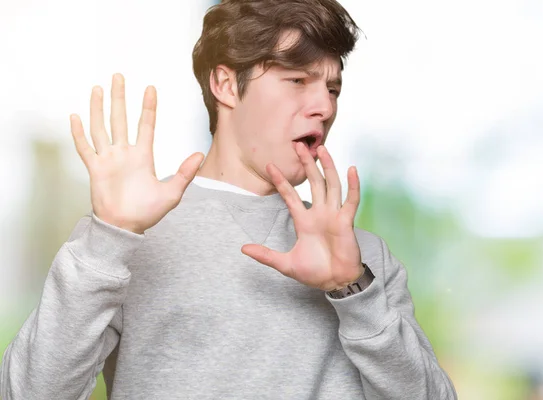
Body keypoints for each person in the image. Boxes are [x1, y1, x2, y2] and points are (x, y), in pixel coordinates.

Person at [0, 0, 457, 399]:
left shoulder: (363, 260)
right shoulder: (129, 237)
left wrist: (353, 289)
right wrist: (108, 240)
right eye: (298, 80)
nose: (326, 105)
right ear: (224, 85)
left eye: (333, 88)